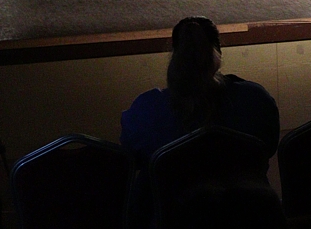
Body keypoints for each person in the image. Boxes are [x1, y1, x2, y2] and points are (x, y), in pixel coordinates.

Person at [120, 16, 280, 167]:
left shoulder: (145, 110)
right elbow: (268, 147)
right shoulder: (255, 99)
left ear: (175, 54)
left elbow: (133, 158)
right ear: (218, 52)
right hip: (243, 188)